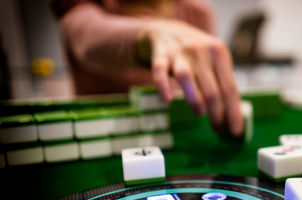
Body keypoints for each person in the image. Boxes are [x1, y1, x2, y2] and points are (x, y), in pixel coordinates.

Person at [51, 0, 244, 137]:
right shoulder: (81, 6)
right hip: (104, 142)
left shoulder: (198, 10)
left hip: (182, 138)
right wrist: (153, 32)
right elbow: (87, 39)